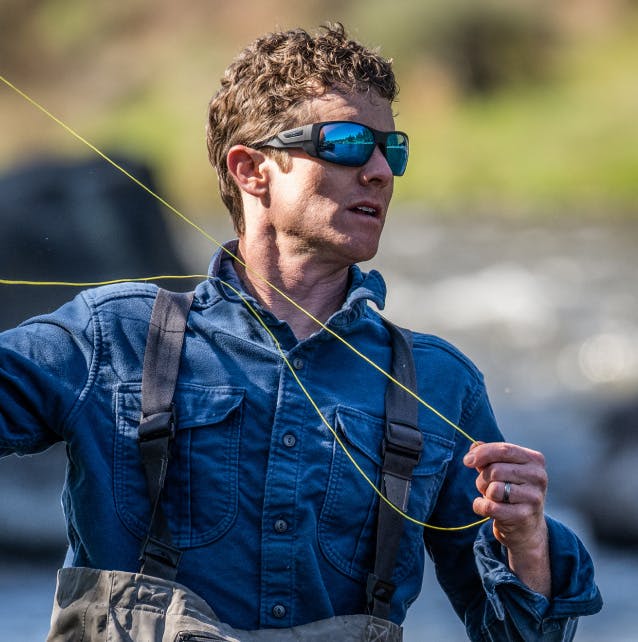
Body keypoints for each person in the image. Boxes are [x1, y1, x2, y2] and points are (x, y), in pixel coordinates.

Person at [0, 23, 601, 641]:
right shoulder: (111, 337)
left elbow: (521, 636)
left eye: (391, 151)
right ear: (252, 169)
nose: (378, 172)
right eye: (345, 143)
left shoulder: (441, 385)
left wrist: (527, 542)